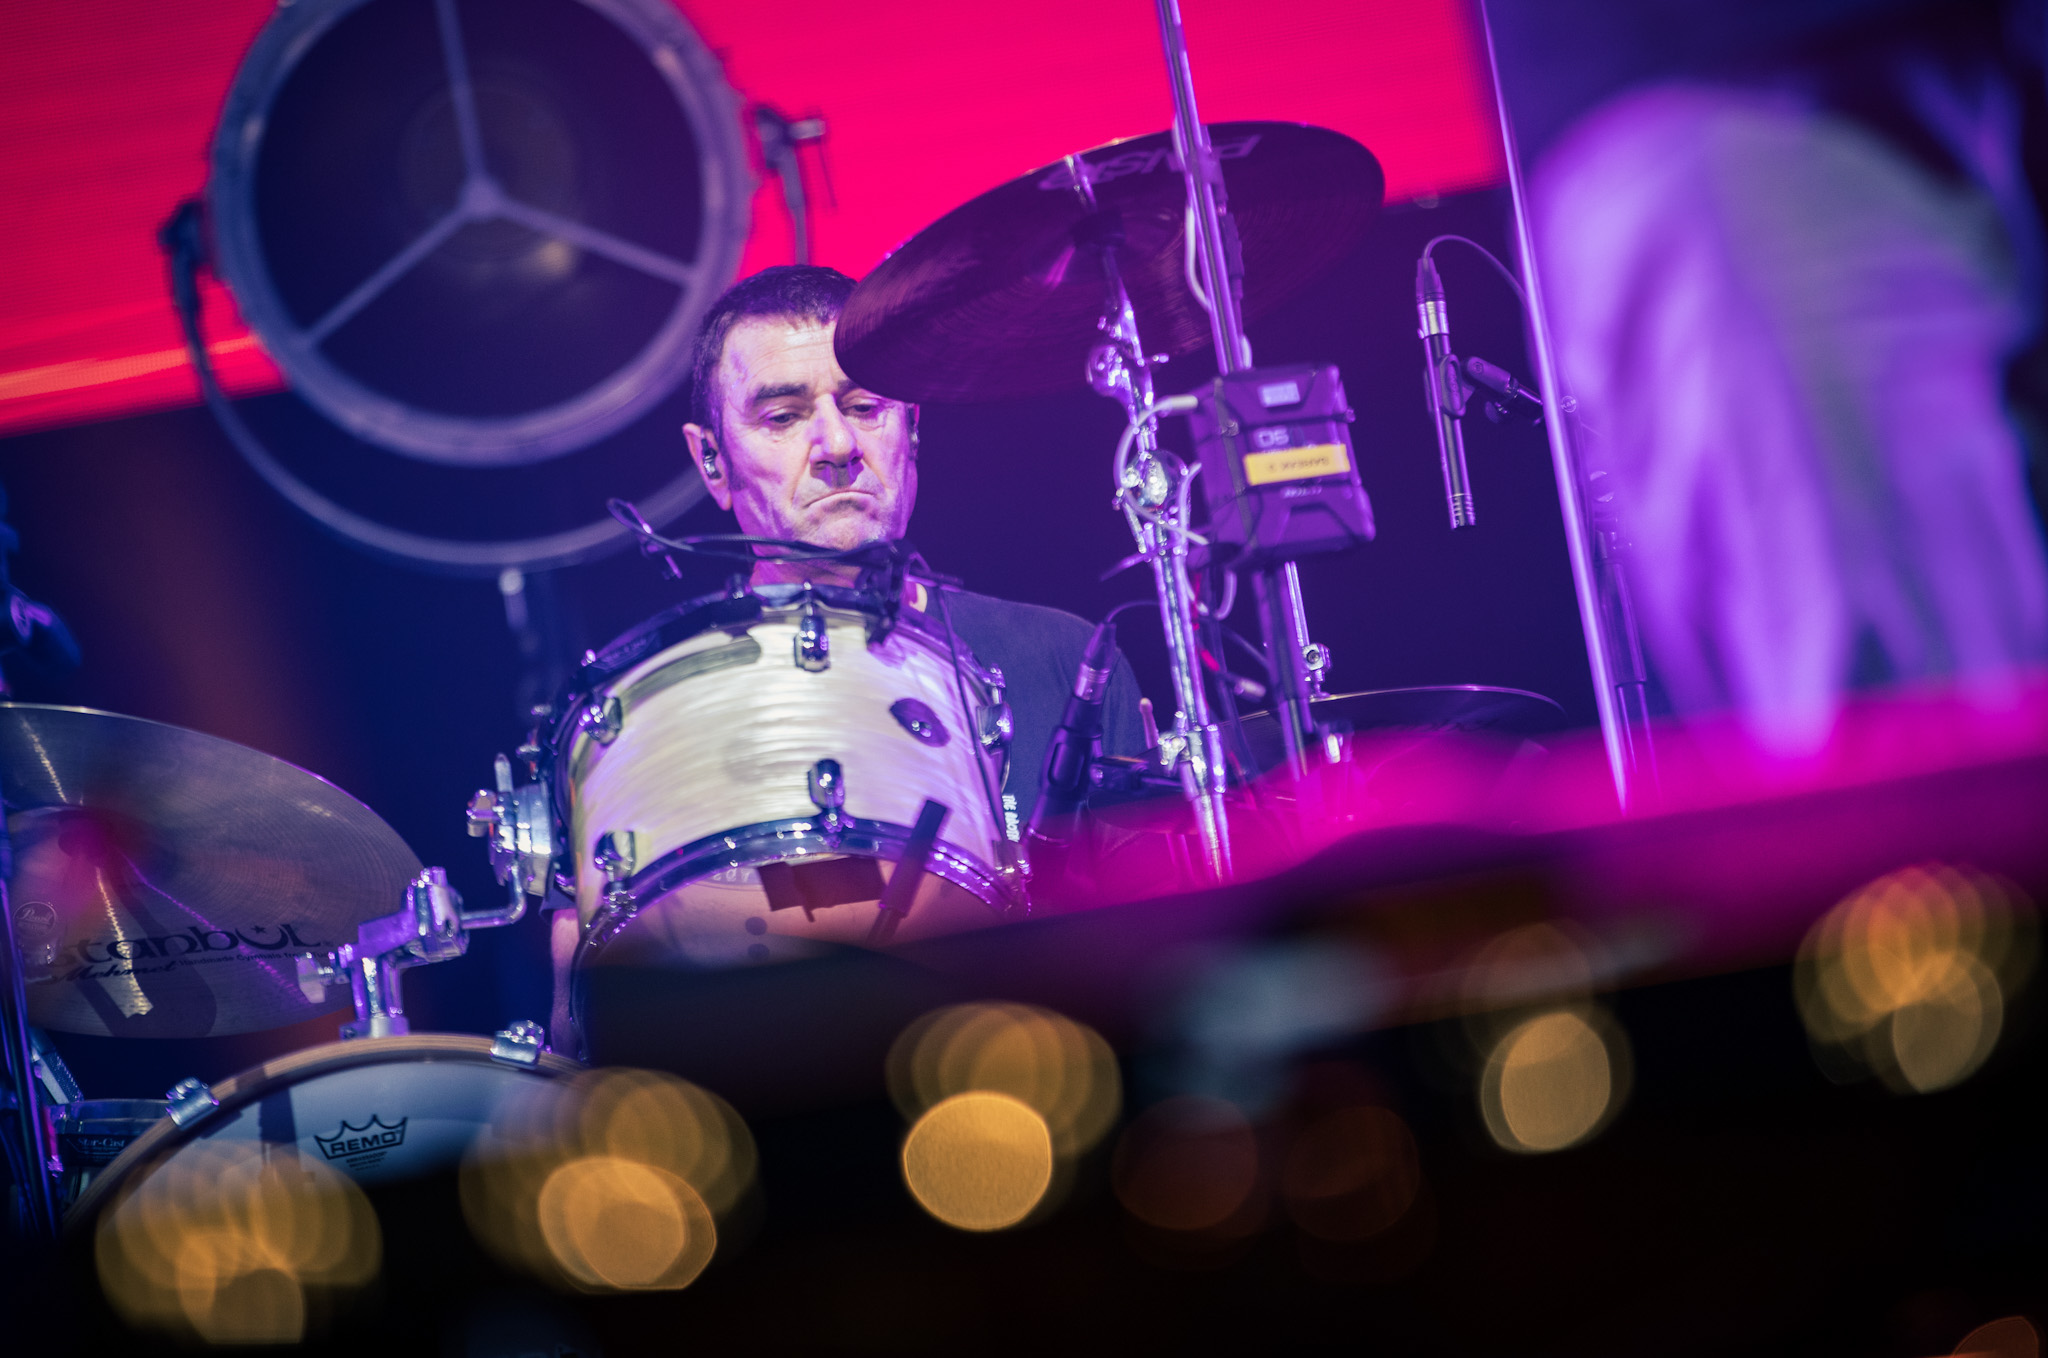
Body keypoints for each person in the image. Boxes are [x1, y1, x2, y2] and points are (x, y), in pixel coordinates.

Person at [549, 265, 1146, 1049]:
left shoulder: (1065, 659)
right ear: (712, 462)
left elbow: (1148, 957)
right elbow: (586, 1015)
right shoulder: (643, 713)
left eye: (866, 407)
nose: (837, 445)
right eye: (782, 416)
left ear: (911, 428)